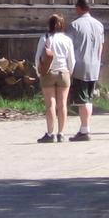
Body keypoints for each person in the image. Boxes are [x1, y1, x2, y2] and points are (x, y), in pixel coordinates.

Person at [34, 12, 76, 143]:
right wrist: (70, 72)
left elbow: (38, 58)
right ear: (62, 25)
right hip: (63, 73)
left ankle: (50, 133)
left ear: (50, 25)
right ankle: (61, 133)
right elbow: (72, 60)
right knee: (62, 104)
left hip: (48, 73)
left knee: (50, 105)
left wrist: (39, 72)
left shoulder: (45, 38)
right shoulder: (67, 40)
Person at [67, 0, 104, 141]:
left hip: (80, 65)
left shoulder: (75, 25)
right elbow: (101, 46)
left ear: (79, 8)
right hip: (94, 65)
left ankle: (84, 129)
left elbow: (69, 48)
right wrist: (98, 61)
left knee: (83, 100)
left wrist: (69, 67)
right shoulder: (99, 25)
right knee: (88, 98)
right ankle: (85, 127)